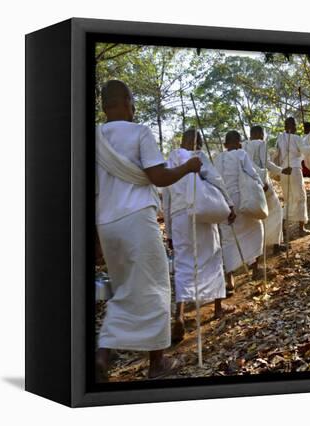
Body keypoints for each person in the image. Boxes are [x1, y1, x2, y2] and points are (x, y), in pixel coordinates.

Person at [95, 80, 203, 380]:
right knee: (156, 287)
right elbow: (157, 176)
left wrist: (95, 238)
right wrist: (188, 167)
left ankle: (103, 354)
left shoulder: (93, 137)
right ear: (128, 102)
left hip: (106, 224)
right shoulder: (139, 132)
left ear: (104, 106)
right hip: (137, 219)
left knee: (124, 290)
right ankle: (157, 364)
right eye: (132, 101)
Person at [163, 129, 235, 343]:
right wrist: (229, 204)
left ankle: (179, 316)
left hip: (178, 219)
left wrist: (168, 231)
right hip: (201, 213)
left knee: (184, 265)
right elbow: (216, 180)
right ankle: (217, 308)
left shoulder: (169, 164)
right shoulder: (198, 158)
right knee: (212, 257)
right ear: (198, 144)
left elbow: (165, 200)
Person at [215, 131, 265, 287]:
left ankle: (229, 279)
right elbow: (252, 173)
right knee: (256, 228)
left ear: (225, 145)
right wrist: (262, 185)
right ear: (238, 143)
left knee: (228, 239)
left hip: (223, 202)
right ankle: (255, 267)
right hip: (241, 201)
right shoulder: (241, 154)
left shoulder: (217, 158)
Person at [242, 126, 290, 255]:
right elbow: (265, 164)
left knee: (259, 215)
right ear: (258, 133)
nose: (263, 136)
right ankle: (275, 245)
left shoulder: (244, 146)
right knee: (276, 210)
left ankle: (261, 246)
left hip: (248, 185)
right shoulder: (260, 144)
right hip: (262, 183)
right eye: (262, 133)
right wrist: (280, 171)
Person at [275, 117, 310, 236]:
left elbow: (276, 154)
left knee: (288, 198)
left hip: (284, 171)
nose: (296, 127)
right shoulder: (296, 138)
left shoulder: (280, 138)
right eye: (294, 125)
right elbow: (306, 151)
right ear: (290, 126)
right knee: (300, 197)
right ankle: (301, 228)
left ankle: (283, 228)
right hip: (294, 169)